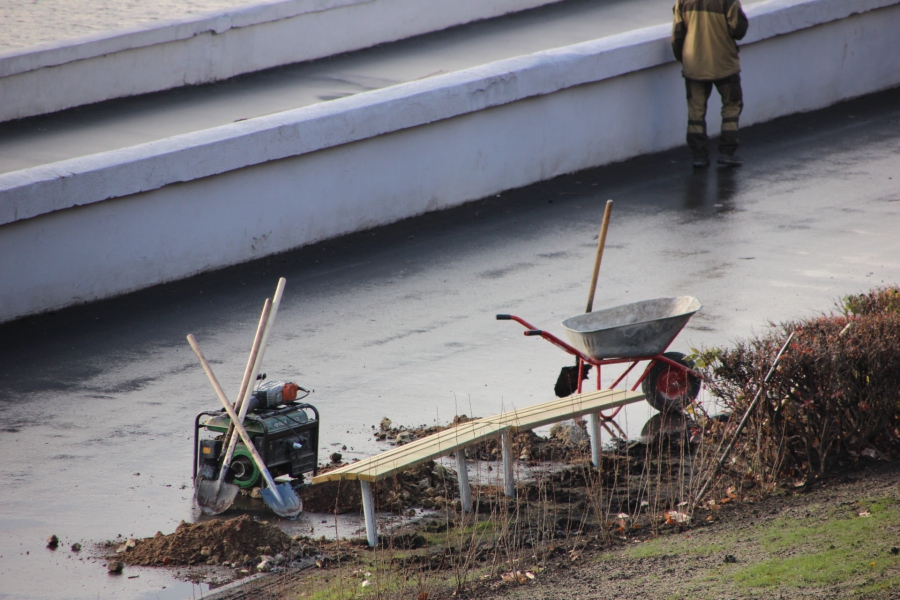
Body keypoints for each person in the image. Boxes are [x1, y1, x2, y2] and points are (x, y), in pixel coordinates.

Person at [672, 0, 749, 168]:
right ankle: (727, 153)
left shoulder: (682, 1)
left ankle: (699, 156)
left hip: (694, 65)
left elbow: (677, 35)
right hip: (724, 64)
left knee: (696, 112)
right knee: (731, 106)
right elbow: (738, 31)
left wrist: (685, 60)